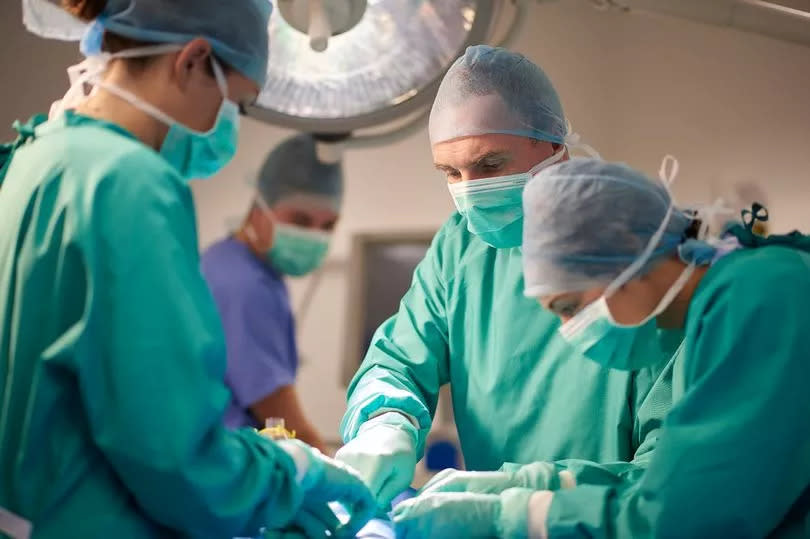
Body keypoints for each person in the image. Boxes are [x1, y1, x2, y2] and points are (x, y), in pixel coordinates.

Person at [0, 1, 373, 537]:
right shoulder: (130, 181)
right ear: (194, 61)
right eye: (237, 105)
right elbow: (172, 451)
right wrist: (294, 470)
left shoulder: (37, 155)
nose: (227, 128)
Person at [336, 44, 681, 512]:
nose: (470, 191)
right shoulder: (461, 248)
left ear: (555, 146)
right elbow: (398, 357)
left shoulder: (635, 246)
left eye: (489, 165)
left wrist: (527, 509)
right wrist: (386, 423)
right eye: (450, 172)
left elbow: (674, 478)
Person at [392, 157, 810, 537]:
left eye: (570, 306)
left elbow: (689, 520)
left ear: (627, 262)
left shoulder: (763, 298)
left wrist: (516, 517)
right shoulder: (712, 313)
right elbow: (668, 482)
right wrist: (534, 483)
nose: (569, 331)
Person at [202, 133, 343, 452]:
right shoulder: (243, 285)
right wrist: (336, 476)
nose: (314, 235)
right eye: (300, 219)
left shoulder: (228, 263)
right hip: (226, 472)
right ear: (258, 209)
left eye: (329, 225)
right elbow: (280, 416)